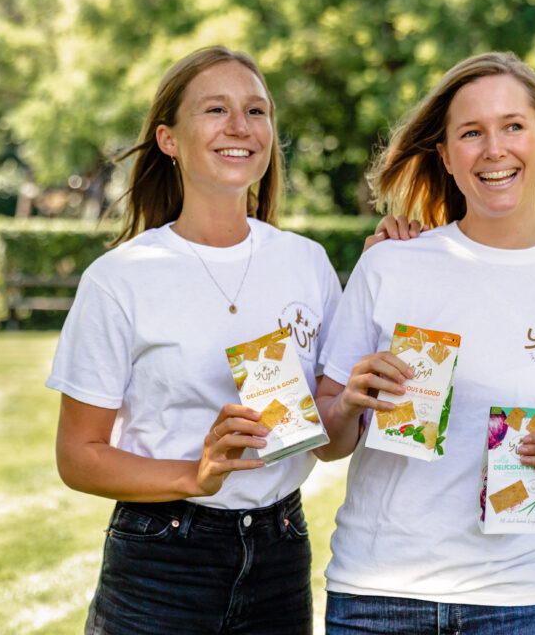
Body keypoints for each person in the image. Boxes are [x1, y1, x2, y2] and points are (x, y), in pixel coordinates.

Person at [314, 51, 535, 634]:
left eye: (513, 126)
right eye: (472, 132)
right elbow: (327, 443)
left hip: (520, 603)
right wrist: (348, 402)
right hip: (378, 598)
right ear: (446, 156)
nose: (494, 149)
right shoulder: (390, 264)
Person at [47, 46, 341, 635]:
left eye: (256, 111)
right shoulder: (120, 278)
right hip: (163, 556)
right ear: (169, 139)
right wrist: (194, 474)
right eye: (215, 109)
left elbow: (330, 443)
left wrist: (352, 401)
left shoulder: (306, 263)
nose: (240, 126)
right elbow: (78, 456)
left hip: (281, 552)